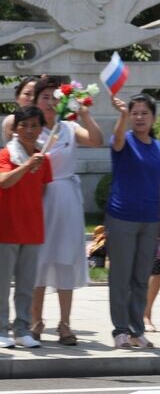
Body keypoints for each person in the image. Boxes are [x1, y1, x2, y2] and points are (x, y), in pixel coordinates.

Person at [30, 76, 105, 346]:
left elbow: (96, 140)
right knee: (38, 261)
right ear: (36, 102)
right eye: (44, 97)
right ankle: (35, 322)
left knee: (64, 260)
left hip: (66, 199)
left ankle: (65, 324)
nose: (50, 103)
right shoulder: (30, 130)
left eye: (55, 98)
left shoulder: (69, 128)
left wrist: (84, 112)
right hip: (39, 199)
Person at [105, 93, 160, 349]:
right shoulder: (124, 139)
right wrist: (121, 116)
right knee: (120, 277)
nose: (139, 117)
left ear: (154, 117)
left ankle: (136, 330)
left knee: (141, 277)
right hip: (122, 216)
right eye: (135, 113)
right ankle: (120, 330)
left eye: (145, 113)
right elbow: (117, 139)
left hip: (150, 219)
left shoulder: (158, 146)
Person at [0, 106, 53, 349]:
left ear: (41, 129)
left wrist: (34, 163)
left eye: (34, 125)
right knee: (2, 284)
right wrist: (26, 166)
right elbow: (4, 182)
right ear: (15, 129)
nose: (30, 130)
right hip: (7, 228)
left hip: (32, 229)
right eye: (24, 125)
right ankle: (1, 329)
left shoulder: (44, 159)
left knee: (25, 286)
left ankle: (22, 329)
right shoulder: (5, 155)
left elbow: (42, 190)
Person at [1, 75, 38, 142]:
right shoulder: (12, 120)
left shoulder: (44, 121)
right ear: (17, 97)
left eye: (37, 95)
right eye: (27, 94)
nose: (32, 98)